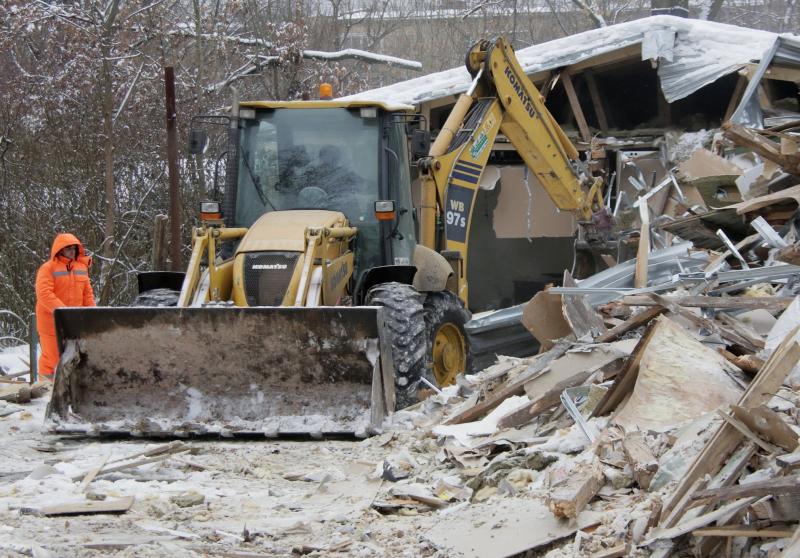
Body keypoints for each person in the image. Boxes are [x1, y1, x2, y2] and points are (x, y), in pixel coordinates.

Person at [35, 233, 95, 380]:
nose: (72, 251)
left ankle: (70, 386)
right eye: (68, 248)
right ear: (59, 249)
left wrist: (93, 316)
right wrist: (63, 313)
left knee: (74, 355)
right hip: (50, 321)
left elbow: (87, 295)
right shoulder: (48, 268)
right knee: (52, 356)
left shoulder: (81, 268)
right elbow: (44, 293)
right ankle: (47, 385)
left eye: (74, 248)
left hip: (74, 321)